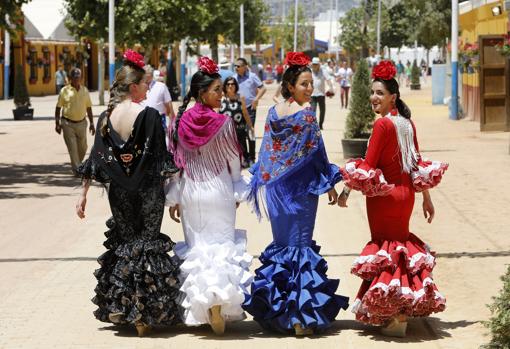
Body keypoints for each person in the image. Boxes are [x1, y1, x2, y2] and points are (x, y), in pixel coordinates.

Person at [74, 49, 182, 336]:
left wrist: (83, 193)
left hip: (119, 191)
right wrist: (175, 194)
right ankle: (144, 315)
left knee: (127, 242)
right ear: (133, 86)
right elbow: (161, 159)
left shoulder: (106, 118)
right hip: (148, 191)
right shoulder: (148, 116)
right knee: (147, 243)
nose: (149, 87)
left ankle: (129, 308)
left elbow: (94, 158)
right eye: (145, 83)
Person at [338, 60, 448, 337]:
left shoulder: (383, 126)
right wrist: (426, 198)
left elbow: (368, 163)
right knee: (401, 249)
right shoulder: (407, 124)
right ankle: (399, 312)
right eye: (372, 93)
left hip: (384, 198)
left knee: (387, 252)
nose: (374, 98)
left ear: (392, 97)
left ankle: (397, 315)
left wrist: (346, 191)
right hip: (406, 196)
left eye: (379, 93)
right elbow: (417, 165)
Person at [242, 52, 349, 336]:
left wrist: (260, 179)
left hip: (278, 191)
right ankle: (300, 317)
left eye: (310, 83)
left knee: (283, 244)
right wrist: (331, 187)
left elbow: (268, 152)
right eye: (304, 83)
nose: (309, 88)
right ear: (290, 86)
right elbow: (319, 156)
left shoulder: (274, 114)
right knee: (300, 246)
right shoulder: (307, 116)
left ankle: (280, 312)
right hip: (301, 193)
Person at [167, 56, 252, 336]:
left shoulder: (179, 123)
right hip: (219, 191)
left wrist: (175, 197)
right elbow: (233, 163)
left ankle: (204, 307)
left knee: (198, 251)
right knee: (222, 249)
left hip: (191, 193)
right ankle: (219, 305)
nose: (220, 94)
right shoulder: (224, 123)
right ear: (202, 93)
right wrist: (238, 189)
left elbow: (176, 166)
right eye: (215, 89)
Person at [54, 67, 95, 176]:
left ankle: (78, 164)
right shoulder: (64, 91)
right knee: (72, 148)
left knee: (83, 147)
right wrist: (57, 123)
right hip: (67, 123)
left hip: (82, 123)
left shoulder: (85, 90)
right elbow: (58, 107)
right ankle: (77, 169)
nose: (77, 79)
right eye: (75, 77)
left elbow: (89, 107)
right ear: (70, 78)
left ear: (81, 78)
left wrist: (91, 123)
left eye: (79, 77)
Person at [234, 57, 266, 165]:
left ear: (245, 66)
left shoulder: (252, 77)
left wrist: (256, 99)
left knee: (250, 132)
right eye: (235, 66)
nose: (236, 68)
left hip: (250, 109)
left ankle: (252, 158)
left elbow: (263, 88)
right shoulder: (234, 78)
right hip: (238, 109)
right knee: (241, 133)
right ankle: (245, 157)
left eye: (238, 66)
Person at [219, 76, 254, 168]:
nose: (230, 86)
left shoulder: (240, 97)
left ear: (236, 86)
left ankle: (247, 160)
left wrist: (250, 126)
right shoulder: (221, 98)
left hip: (239, 128)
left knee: (242, 146)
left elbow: (245, 113)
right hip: (225, 130)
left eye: (232, 84)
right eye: (228, 84)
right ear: (225, 86)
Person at [142, 65, 175, 132]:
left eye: (143, 74)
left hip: (159, 123)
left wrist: (172, 126)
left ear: (149, 75)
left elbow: (169, 108)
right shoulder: (139, 87)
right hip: (143, 123)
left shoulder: (161, 87)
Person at [310, 57, 334, 130]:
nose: (314, 66)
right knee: (312, 110)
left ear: (319, 65)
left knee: (322, 110)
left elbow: (328, 80)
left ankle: (320, 124)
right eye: (313, 64)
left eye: (316, 64)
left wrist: (331, 90)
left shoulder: (323, 71)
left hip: (321, 94)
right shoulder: (309, 71)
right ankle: (313, 125)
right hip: (312, 94)